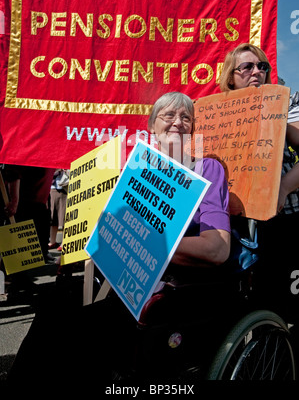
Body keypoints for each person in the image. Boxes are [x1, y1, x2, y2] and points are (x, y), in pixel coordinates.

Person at [7, 92, 231, 383]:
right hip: (119, 280)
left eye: (186, 117)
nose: (178, 122)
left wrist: (143, 241)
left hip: (171, 288)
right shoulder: (137, 169)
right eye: (169, 116)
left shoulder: (206, 169)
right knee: (55, 301)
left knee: (79, 330)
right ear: (152, 125)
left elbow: (217, 249)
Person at [220, 42, 299, 321]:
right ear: (231, 76)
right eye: (247, 66)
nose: (256, 71)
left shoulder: (285, 103)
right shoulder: (217, 114)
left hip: (282, 218)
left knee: (279, 301)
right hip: (235, 222)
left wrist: (284, 188)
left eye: (262, 66)